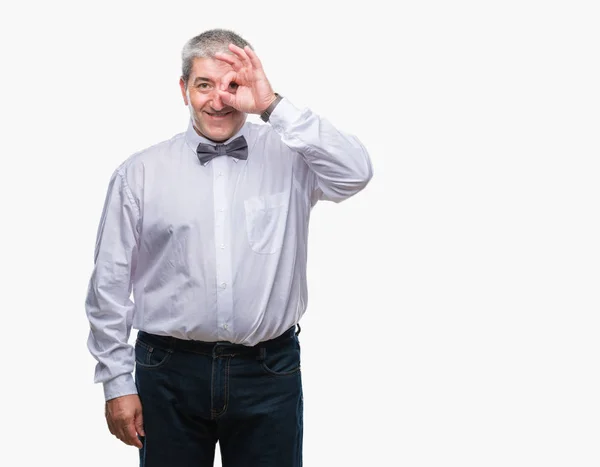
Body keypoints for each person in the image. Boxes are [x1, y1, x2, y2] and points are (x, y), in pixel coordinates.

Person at [85, 28, 373, 467]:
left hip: (268, 372)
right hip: (167, 372)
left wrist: (273, 106)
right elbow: (108, 283)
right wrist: (117, 383)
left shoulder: (292, 156)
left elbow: (355, 172)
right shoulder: (139, 173)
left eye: (232, 86)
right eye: (204, 85)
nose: (219, 100)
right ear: (184, 89)